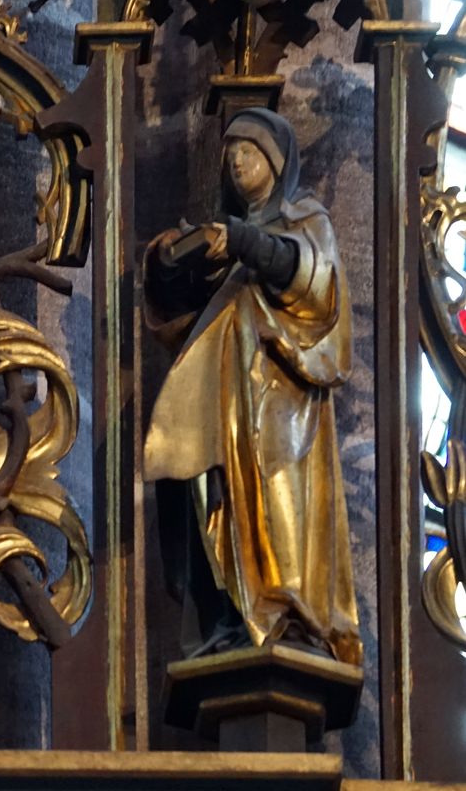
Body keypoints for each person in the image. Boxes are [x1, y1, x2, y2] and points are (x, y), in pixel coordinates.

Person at [143, 107, 360, 664]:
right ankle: (227, 622)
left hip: (281, 411)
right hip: (219, 413)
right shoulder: (223, 247)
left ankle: (287, 620)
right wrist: (170, 260)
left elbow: (314, 286)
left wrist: (244, 242)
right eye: (231, 154)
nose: (238, 162)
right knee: (212, 508)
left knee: (279, 521)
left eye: (250, 152)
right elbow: (180, 310)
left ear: (277, 161)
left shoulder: (305, 219)